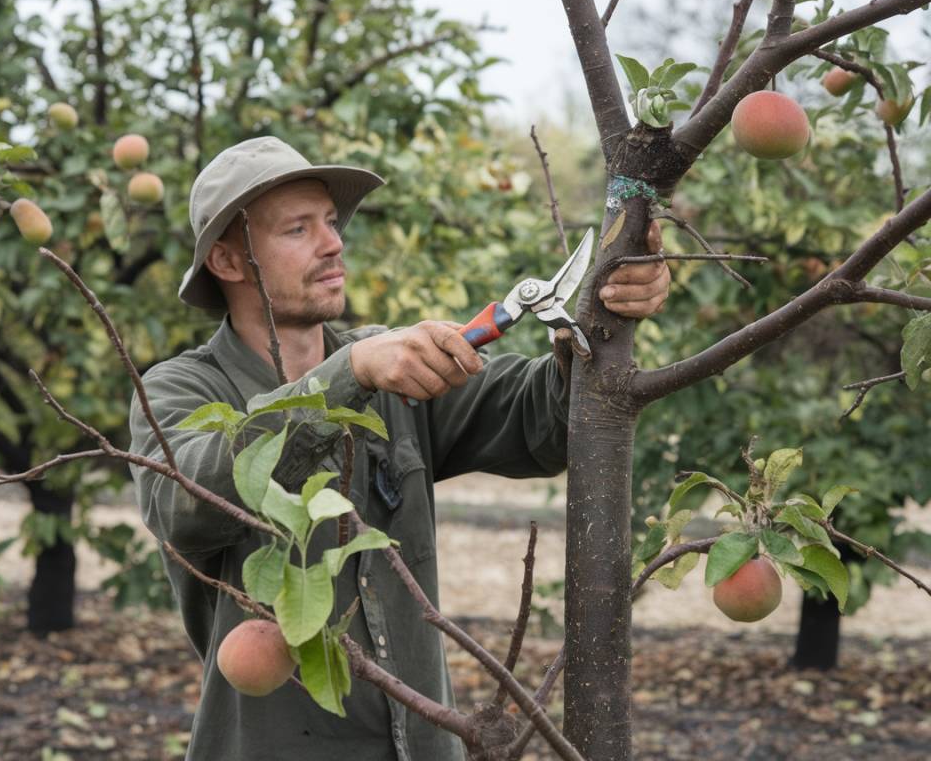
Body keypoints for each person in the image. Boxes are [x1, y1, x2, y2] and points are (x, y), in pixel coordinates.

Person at [128, 136, 670, 761]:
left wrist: (603, 318)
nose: (333, 244)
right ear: (226, 261)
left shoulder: (390, 367)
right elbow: (183, 504)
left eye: (330, 223)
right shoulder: (181, 389)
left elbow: (541, 421)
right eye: (298, 230)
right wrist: (346, 375)